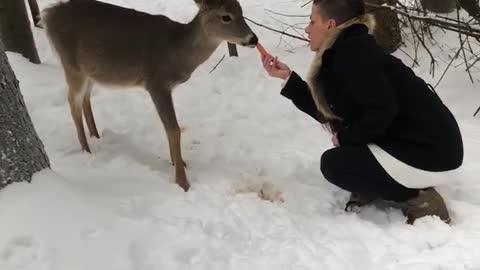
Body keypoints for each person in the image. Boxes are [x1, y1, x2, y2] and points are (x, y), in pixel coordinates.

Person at [261, 0, 463, 224]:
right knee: (345, 146)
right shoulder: (348, 49)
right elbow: (334, 112)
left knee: (335, 165)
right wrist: (288, 78)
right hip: (422, 145)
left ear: (330, 25)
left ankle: (420, 198)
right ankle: (376, 180)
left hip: (433, 153)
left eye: (312, 21)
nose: (307, 29)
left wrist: (345, 139)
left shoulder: (352, 55)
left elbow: (382, 110)